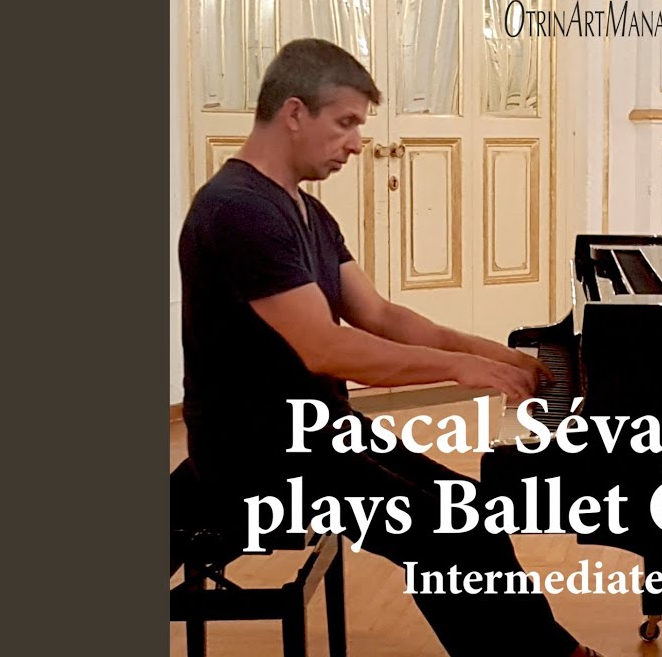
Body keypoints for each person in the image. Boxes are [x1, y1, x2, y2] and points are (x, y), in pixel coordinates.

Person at [178, 38, 604, 657]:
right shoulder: (239, 211)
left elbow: (379, 315)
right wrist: (462, 368)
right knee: (447, 532)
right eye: (345, 122)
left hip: (314, 435)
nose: (357, 143)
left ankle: (551, 653)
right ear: (294, 112)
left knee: (470, 514)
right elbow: (326, 349)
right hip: (258, 457)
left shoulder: (302, 210)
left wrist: (499, 355)